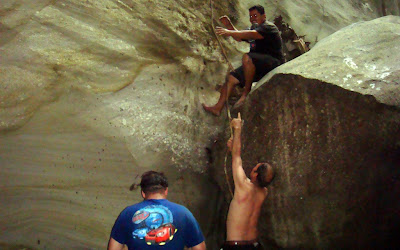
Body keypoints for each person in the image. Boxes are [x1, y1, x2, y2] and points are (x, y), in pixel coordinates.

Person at [203, 5, 284, 116]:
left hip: (273, 63)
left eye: (255, 15)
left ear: (264, 16)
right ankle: (218, 108)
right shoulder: (253, 29)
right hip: (257, 65)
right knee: (231, 78)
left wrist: (229, 32)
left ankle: (246, 93)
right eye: (250, 16)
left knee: (247, 57)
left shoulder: (269, 27)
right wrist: (229, 26)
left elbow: (253, 35)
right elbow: (239, 36)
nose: (252, 18)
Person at [108, 171, 206, 250]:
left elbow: (113, 248)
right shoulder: (184, 213)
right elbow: (199, 248)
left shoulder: (127, 213)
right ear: (166, 191)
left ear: (143, 193)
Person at [221, 113, 275, 249]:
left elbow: (237, 158)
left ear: (255, 175)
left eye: (255, 167)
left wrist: (237, 129)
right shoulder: (264, 193)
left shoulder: (243, 186)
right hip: (254, 244)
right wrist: (232, 148)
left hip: (236, 245)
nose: (253, 167)